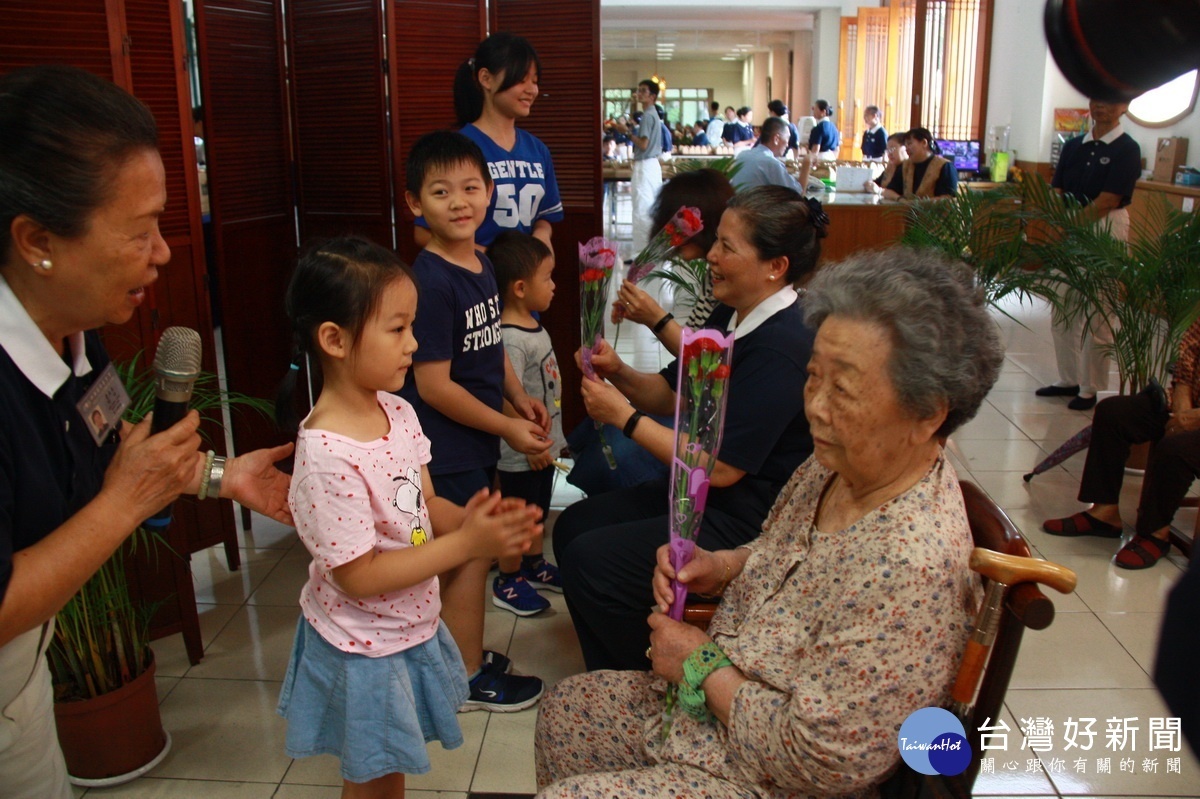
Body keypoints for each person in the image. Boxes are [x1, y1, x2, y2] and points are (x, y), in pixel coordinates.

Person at [534, 247, 1001, 798]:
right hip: (721, 718)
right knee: (566, 709)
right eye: (813, 378)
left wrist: (701, 664)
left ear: (928, 413)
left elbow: (819, 761)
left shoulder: (909, 566)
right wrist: (722, 564)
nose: (816, 408)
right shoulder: (839, 466)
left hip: (772, 776)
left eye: (844, 389)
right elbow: (780, 546)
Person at [0, 64, 293, 799]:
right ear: (37, 239)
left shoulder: (71, 332)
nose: (164, 253)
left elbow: (107, 440)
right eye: (140, 232)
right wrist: (125, 503)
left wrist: (222, 476)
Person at [275, 236, 543, 796]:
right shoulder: (327, 456)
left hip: (407, 627)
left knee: (389, 767)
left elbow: (422, 508)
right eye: (397, 330)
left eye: (413, 326)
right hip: (362, 648)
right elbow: (360, 574)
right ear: (334, 339)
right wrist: (465, 546)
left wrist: (474, 521)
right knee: (369, 775)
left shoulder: (397, 411)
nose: (414, 343)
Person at [553, 186, 826, 672]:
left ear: (775, 266)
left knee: (592, 561)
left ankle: (653, 675)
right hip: (706, 496)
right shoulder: (730, 312)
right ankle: (618, 669)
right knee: (574, 525)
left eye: (727, 247)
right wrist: (616, 371)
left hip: (749, 519)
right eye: (715, 242)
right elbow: (673, 397)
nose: (711, 258)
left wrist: (624, 418)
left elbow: (720, 470)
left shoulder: (782, 346)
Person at [398, 131, 550, 708]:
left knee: (468, 550)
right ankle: (463, 675)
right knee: (466, 551)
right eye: (441, 192)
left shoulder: (480, 262)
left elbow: (491, 350)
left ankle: (451, 654)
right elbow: (434, 386)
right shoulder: (432, 281)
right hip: (447, 446)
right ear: (416, 203)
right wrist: (506, 426)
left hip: (478, 438)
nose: (459, 201)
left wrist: (515, 399)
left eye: (470, 188)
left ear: (489, 191)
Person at [1041, 320, 1200, 569]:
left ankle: (1156, 533)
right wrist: (1183, 406)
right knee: (1113, 413)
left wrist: (1195, 419)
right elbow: (1188, 358)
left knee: (1176, 448)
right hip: (1190, 406)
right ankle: (1104, 513)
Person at [1035, 97, 1141, 410]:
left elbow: (1109, 199)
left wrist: (1071, 226)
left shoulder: (1127, 148)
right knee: (1062, 305)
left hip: (1104, 228)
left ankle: (1089, 387)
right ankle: (1067, 379)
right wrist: (1058, 222)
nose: (1101, 106)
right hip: (1069, 223)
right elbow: (1057, 189)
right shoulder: (1073, 146)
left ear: (1123, 106)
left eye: (1109, 100)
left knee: (1099, 309)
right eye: (1095, 99)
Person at [414, 32, 563, 252]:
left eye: (535, 81)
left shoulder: (537, 149)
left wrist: (542, 235)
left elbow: (544, 215)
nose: (532, 90)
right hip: (474, 279)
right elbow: (423, 233)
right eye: (521, 80)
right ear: (486, 79)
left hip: (523, 279)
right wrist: (485, 258)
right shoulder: (459, 149)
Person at [489, 231, 565, 615]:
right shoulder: (511, 338)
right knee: (516, 514)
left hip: (540, 447)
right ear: (520, 288)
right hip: (521, 450)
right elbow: (507, 397)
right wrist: (530, 443)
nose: (554, 285)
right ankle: (507, 578)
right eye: (548, 278)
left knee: (536, 508)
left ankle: (533, 565)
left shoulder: (532, 325)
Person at [615, 168, 736, 355]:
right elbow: (692, 343)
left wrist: (655, 316)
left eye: (679, 227)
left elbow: (701, 355)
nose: (670, 236)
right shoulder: (713, 275)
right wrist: (645, 315)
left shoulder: (730, 281)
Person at [612, 79, 664, 253]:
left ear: (652, 96)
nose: (639, 94)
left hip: (646, 164)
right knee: (646, 207)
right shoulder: (652, 114)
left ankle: (642, 253)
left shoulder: (648, 115)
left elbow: (643, 144)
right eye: (639, 90)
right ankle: (645, 251)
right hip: (650, 165)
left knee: (642, 210)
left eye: (643, 91)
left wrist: (625, 132)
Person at [731, 117, 805, 193]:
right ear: (776, 139)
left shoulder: (742, 155)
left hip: (739, 203)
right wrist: (807, 164)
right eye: (787, 138)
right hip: (757, 204)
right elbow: (798, 193)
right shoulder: (771, 163)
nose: (788, 144)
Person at [883, 127, 958, 200]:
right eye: (905, 146)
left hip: (932, 212)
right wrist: (900, 199)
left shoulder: (945, 166)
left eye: (909, 144)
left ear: (924, 143)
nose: (906, 149)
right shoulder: (905, 165)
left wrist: (918, 204)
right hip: (907, 210)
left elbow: (948, 198)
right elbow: (889, 191)